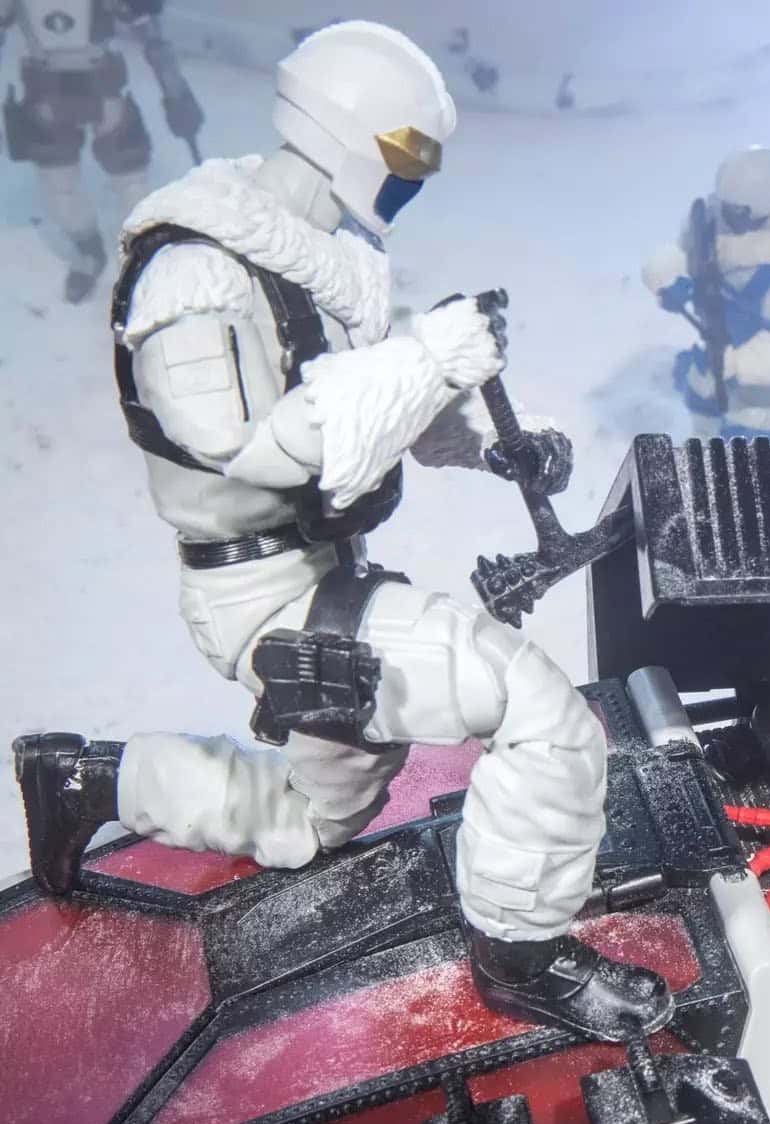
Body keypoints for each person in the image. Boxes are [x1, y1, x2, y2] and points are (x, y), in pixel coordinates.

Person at [11, 20, 671, 1044]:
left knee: (306, 821)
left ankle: (85, 778)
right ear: (348, 133)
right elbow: (260, 448)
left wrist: (498, 443)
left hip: (324, 572)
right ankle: (522, 953)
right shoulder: (192, 276)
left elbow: (378, 405)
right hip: (262, 594)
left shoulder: (322, 259)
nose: (410, 179)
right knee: (536, 709)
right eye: (406, 154)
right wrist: (423, 359)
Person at [0, 0, 202, 302]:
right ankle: (89, 249)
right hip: (45, 95)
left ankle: (148, 256)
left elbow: (150, 35)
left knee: (131, 183)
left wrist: (176, 92)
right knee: (59, 190)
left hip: (101, 89)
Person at [642, 146, 770, 439]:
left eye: (736, 210)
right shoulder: (711, 220)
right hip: (715, 343)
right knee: (701, 402)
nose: (726, 215)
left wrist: (740, 360)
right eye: (726, 206)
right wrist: (667, 280)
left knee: (751, 431)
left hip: (763, 367)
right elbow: (682, 254)